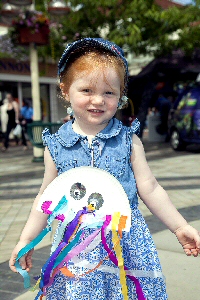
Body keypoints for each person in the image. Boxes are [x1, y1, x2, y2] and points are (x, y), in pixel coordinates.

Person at [9, 38, 200, 300]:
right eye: (86, 90)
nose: (97, 100)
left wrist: (179, 227)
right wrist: (25, 240)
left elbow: (150, 188)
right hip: (76, 247)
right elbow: (45, 199)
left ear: (120, 95)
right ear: (65, 90)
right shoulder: (55, 146)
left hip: (126, 242)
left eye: (109, 92)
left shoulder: (128, 141)